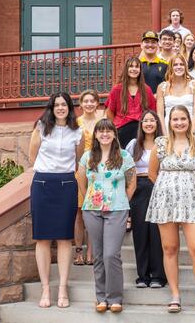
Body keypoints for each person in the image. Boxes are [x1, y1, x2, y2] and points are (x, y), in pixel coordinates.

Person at [146, 105, 195, 313]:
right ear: (169, 122)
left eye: (183, 119)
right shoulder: (161, 143)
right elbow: (152, 173)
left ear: (189, 121)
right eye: (175, 119)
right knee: (169, 248)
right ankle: (175, 294)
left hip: (193, 202)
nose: (179, 122)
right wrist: (168, 188)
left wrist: (189, 189)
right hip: (165, 202)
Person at [28, 92, 84, 309]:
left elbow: (78, 159)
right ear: (51, 108)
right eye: (57, 105)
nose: (61, 108)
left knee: (64, 238)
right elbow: (32, 157)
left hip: (67, 185)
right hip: (43, 184)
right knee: (42, 238)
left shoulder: (77, 131)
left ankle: (62, 288)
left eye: (64, 105)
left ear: (70, 107)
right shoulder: (41, 128)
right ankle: (45, 289)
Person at [77, 119, 136, 313]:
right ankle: (101, 298)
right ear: (95, 134)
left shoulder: (125, 156)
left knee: (112, 254)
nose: (104, 134)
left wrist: (121, 201)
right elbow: (82, 182)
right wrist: (90, 199)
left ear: (114, 134)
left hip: (117, 209)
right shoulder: (87, 157)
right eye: (101, 131)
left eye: (108, 131)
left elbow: (131, 184)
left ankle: (115, 297)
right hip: (92, 209)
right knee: (99, 255)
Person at [126, 110, 167, 288]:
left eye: (152, 120)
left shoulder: (164, 143)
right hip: (139, 187)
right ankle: (143, 275)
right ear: (141, 124)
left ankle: (158, 275)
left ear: (157, 123)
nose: (149, 123)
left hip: (158, 185)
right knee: (141, 232)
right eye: (145, 120)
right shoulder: (134, 144)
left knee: (157, 232)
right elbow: (127, 168)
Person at [74, 90, 104, 267]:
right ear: (81, 104)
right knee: (79, 212)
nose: (89, 104)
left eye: (93, 101)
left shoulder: (102, 122)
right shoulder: (75, 123)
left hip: (99, 169)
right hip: (80, 168)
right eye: (86, 101)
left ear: (97, 103)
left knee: (94, 212)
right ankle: (79, 251)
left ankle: (91, 251)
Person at [105, 57, 156, 148]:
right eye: (131, 66)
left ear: (140, 70)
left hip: (141, 130)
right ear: (126, 69)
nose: (134, 69)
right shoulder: (117, 89)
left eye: (137, 67)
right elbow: (110, 112)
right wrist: (116, 127)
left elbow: (152, 110)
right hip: (121, 130)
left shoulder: (146, 89)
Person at [156, 54, 195, 135]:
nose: (179, 67)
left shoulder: (194, 85)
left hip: (191, 127)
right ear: (170, 67)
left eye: (181, 64)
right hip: (169, 129)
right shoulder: (162, 87)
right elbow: (160, 114)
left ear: (185, 66)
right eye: (175, 65)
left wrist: (191, 133)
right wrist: (165, 134)